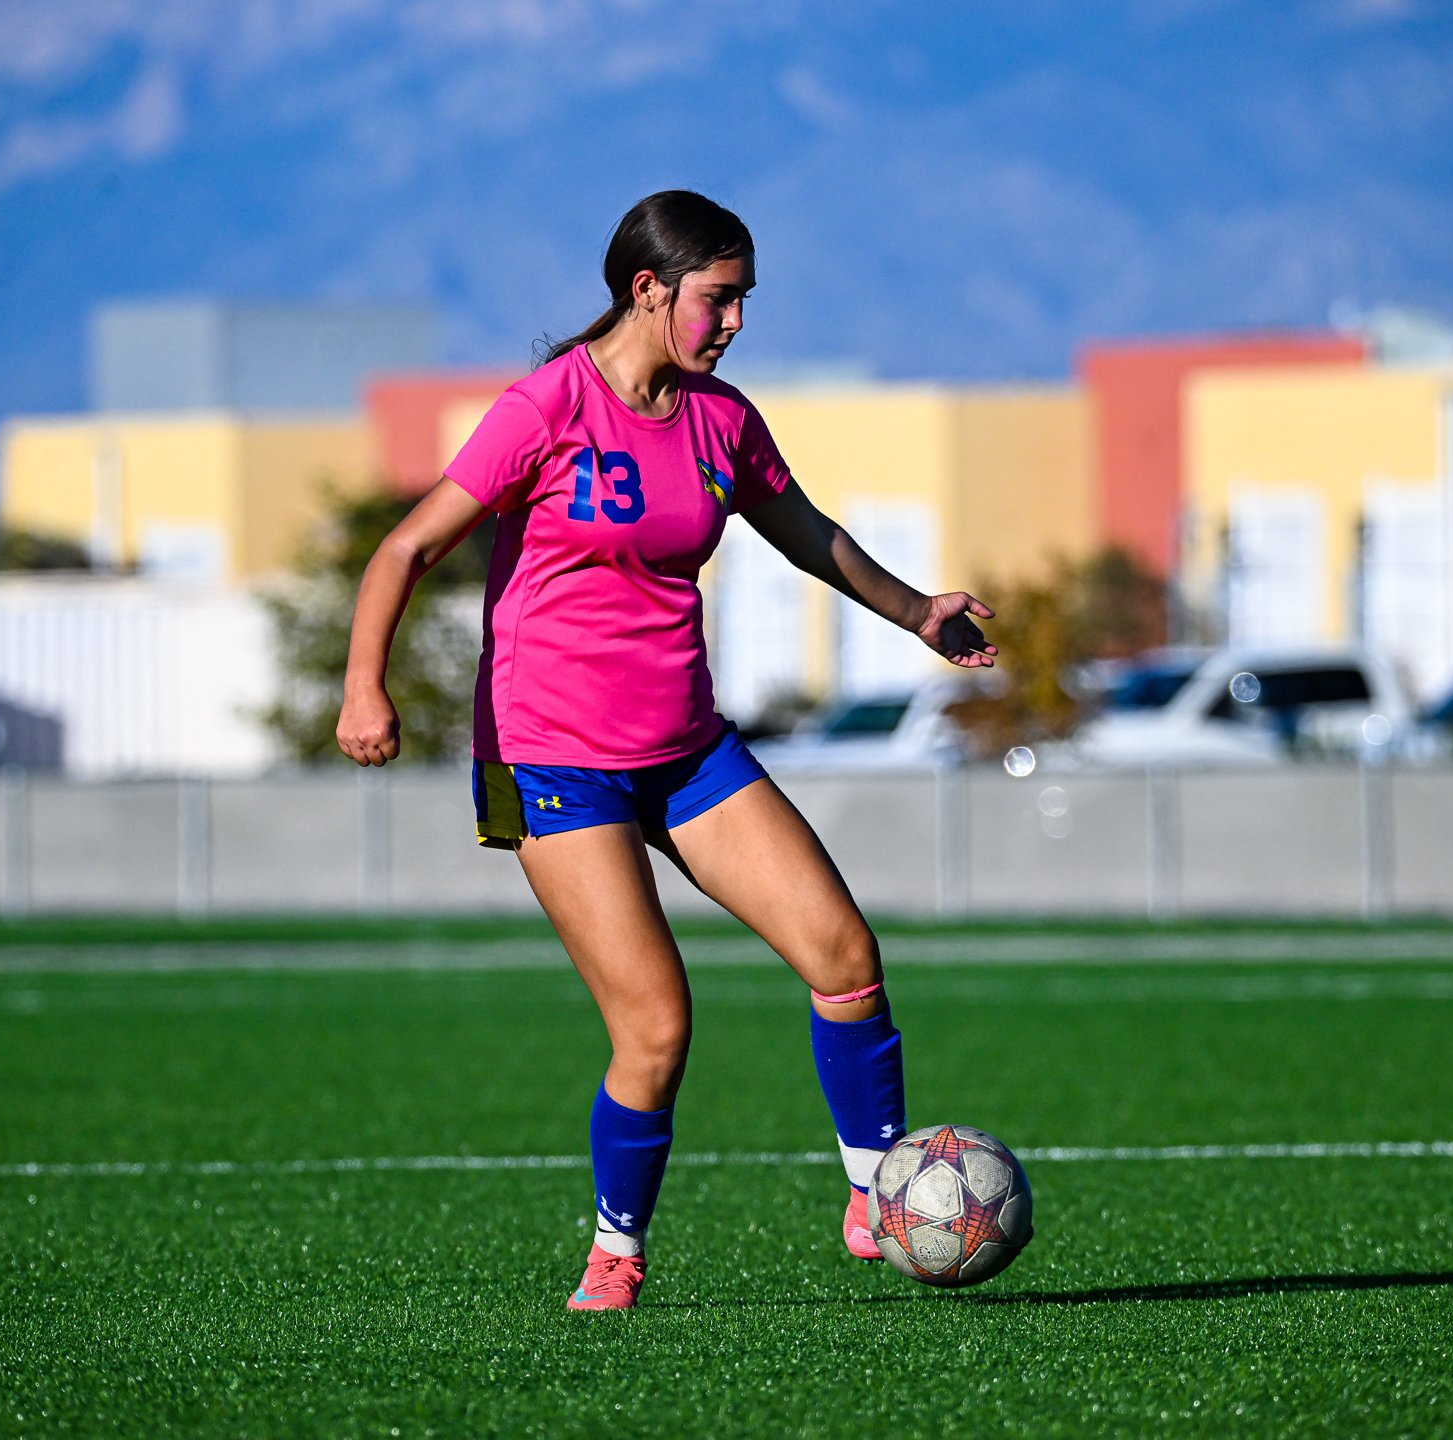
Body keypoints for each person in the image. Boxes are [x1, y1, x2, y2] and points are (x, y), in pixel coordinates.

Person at [334, 191, 997, 1310]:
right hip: (549, 759)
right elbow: (406, 546)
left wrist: (918, 611)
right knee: (655, 1023)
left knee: (844, 953)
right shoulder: (543, 409)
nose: (736, 320)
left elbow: (812, 538)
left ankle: (873, 1191)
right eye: (719, 298)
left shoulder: (722, 422)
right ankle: (615, 1251)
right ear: (650, 288)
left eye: (743, 300)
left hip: (687, 749)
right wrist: (366, 687)